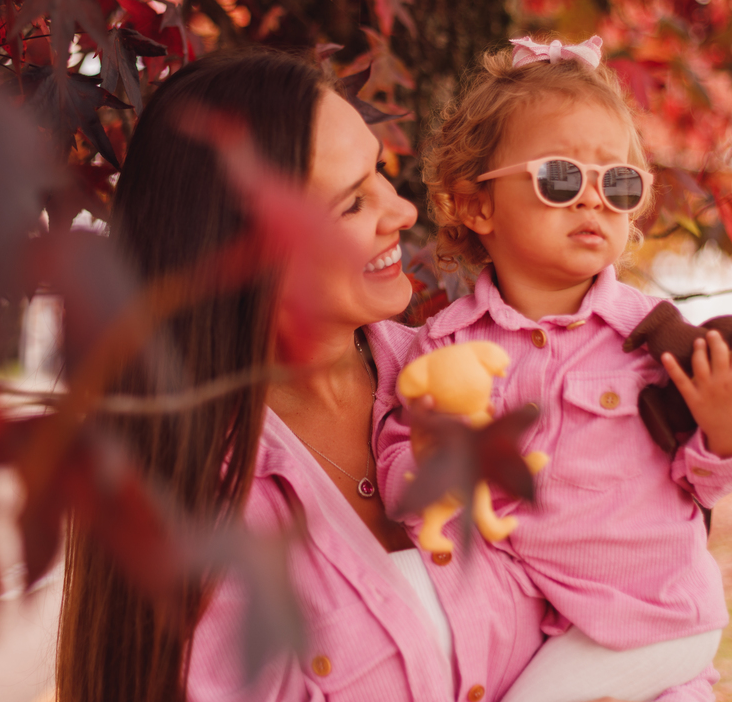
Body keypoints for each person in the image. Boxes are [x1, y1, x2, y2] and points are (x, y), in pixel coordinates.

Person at [56, 50, 547, 702]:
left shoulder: (473, 372)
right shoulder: (186, 501)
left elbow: (632, 580)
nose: (401, 212)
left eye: (379, 172)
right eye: (351, 203)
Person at [375, 35, 732, 702]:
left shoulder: (649, 338)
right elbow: (402, 469)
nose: (593, 201)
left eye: (617, 183)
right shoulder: (445, 349)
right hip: (533, 614)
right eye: (560, 177)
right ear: (477, 205)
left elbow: (704, 479)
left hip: (652, 617)